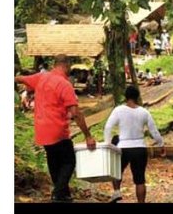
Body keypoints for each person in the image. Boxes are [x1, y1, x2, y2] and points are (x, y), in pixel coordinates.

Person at [15, 54, 96, 202]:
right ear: (66, 65)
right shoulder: (64, 84)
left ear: (54, 64)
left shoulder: (41, 77)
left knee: (54, 161)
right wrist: (88, 135)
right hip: (58, 130)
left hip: (42, 131)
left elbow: (19, 79)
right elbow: (75, 113)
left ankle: (64, 195)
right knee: (69, 161)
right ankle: (58, 194)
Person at [104, 86, 165, 203]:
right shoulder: (144, 112)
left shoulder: (119, 110)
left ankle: (117, 191)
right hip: (139, 148)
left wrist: (107, 144)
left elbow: (108, 127)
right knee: (140, 179)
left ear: (125, 97)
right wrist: (161, 144)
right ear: (137, 97)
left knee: (116, 171)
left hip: (123, 147)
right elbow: (154, 131)